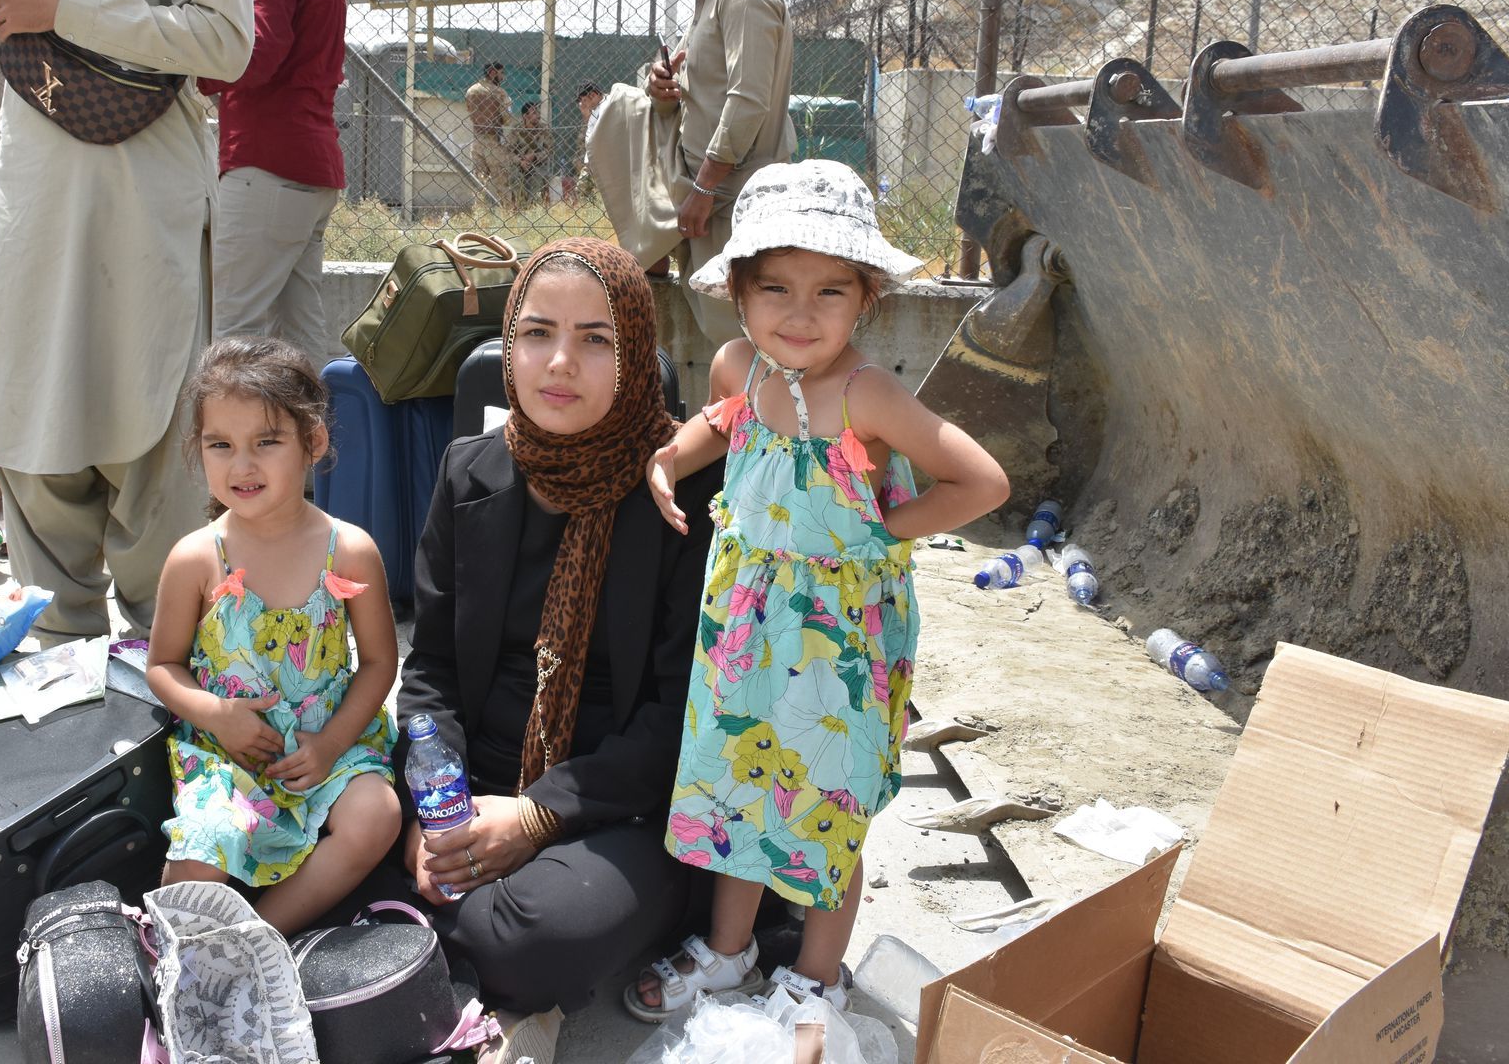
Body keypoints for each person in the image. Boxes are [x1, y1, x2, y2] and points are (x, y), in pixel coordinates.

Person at [627, 161, 1010, 1017]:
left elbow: (981, 483)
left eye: (830, 291)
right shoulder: (741, 367)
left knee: (826, 804)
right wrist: (669, 457)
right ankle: (729, 953)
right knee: (743, 788)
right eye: (776, 289)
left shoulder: (867, 394)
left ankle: (816, 975)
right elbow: (719, 420)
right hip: (745, 626)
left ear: (866, 297)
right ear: (737, 291)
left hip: (837, 641)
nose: (800, 315)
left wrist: (880, 533)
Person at [351, 238, 722, 1059]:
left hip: (614, 803)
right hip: (477, 777)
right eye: (536, 333)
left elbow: (684, 715)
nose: (560, 363)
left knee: (537, 932)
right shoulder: (469, 472)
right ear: (507, 347)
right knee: (329, 827)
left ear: (636, 354)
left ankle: (473, 951)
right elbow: (433, 672)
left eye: (596, 339)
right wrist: (433, 811)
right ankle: (481, 947)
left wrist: (537, 815)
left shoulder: (691, 496)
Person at [0, 0, 253, 639]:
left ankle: (169, 678)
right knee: (35, 436)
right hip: (30, 213)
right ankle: (60, 677)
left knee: (152, 444)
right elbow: (28, 65)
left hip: (137, 213)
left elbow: (226, 43)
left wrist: (63, 7)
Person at [147, 337, 400, 935]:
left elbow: (379, 665)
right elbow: (162, 665)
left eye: (267, 442)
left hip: (330, 751)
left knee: (377, 817)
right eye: (220, 445)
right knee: (193, 862)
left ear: (313, 442)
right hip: (229, 756)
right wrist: (219, 715)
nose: (242, 466)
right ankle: (190, 950)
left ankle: (264, 934)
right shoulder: (195, 558)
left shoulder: (351, 550)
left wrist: (333, 744)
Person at [200, 0, 347, 355]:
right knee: (300, 330)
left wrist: (191, 73)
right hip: (311, 166)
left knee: (235, 329)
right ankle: (312, 415)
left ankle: (232, 415)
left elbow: (260, 53)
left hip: (266, 163)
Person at [648, 0, 796, 343]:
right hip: (712, 197)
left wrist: (704, 186)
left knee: (744, 340)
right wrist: (662, 85)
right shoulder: (710, 0)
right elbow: (704, 95)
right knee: (730, 339)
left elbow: (748, 102)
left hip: (735, 200)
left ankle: (753, 402)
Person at [464, 61, 515, 205]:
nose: (503, 78)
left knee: (479, 184)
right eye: (501, 73)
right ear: (493, 73)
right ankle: (508, 214)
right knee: (502, 184)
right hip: (494, 143)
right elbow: (507, 119)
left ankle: (479, 217)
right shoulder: (499, 93)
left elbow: (470, 112)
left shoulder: (471, 91)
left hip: (477, 141)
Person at [507, 102, 553, 207]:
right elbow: (508, 152)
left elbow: (549, 150)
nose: (538, 115)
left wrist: (535, 156)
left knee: (538, 181)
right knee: (515, 178)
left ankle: (534, 206)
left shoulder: (543, 129)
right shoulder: (516, 130)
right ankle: (521, 205)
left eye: (538, 112)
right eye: (534, 113)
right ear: (525, 116)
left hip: (538, 165)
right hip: (519, 166)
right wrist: (520, 161)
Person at [570, 83, 604, 205]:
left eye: (584, 100)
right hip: (592, 161)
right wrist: (586, 118)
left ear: (593, 95)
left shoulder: (606, 108)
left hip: (604, 159)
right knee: (582, 189)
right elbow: (582, 142)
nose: (582, 104)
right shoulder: (594, 113)